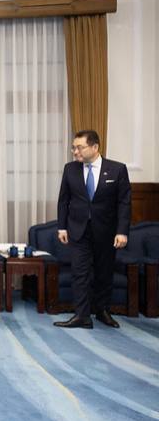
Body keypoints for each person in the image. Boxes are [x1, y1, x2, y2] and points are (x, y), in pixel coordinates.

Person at [54, 129, 131, 329]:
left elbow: (124, 203)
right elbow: (64, 200)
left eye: (79, 147)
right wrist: (62, 226)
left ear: (95, 147)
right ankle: (82, 316)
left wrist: (122, 231)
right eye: (73, 147)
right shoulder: (70, 169)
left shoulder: (117, 169)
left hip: (106, 231)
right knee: (79, 272)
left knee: (104, 272)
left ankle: (102, 311)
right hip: (78, 230)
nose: (75, 152)